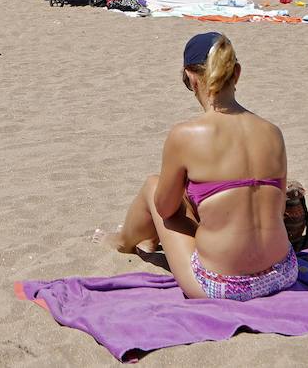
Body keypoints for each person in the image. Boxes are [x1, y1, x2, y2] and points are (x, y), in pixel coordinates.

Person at [94, 33, 297, 301]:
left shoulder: (186, 135)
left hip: (223, 287)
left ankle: (123, 241)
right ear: (236, 73)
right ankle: (149, 239)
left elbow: (165, 209)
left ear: (191, 77)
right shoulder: (273, 132)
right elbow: (278, 207)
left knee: (155, 186)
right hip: (282, 274)